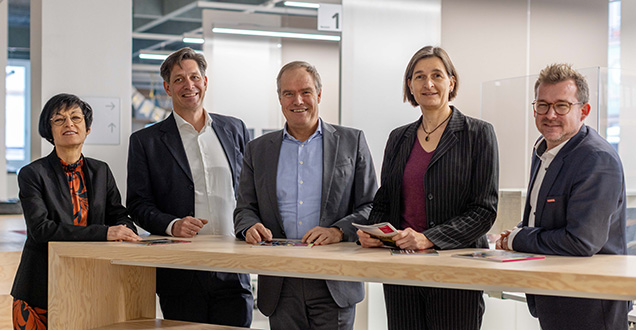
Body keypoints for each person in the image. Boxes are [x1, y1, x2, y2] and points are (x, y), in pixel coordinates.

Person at [357, 46, 499, 330]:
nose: (428, 83)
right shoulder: (398, 138)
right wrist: (373, 233)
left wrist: (430, 238)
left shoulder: (478, 134)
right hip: (401, 270)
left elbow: (484, 210)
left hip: (455, 270)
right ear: (410, 85)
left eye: (437, 75)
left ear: (451, 82)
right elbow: (384, 202)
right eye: (419, 76)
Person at [234, 61, 377, 330]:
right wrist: (249, 226)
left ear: (319, 95)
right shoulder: (258, 150)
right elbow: (244, 208)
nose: (297, 100)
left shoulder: (351, 141)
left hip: (334, 279)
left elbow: (372, 206)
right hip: (280, 281)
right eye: (288, 93)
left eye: (306, 92)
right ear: (279, 99)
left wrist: (337, 231)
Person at [496, 63, 630, 330]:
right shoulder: (544, 149)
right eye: (543, 105)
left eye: (562, 106)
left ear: (584, 111)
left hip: (590, 304)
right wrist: (519, 231)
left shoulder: (596, 159)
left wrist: (518, 239)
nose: (550, 114)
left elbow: (581, 241)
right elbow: (544, 218)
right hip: (554, 294)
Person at [126, 47, 253, 326]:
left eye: (194, 77)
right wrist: (172, 224)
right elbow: (137, 205)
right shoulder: (146, 142)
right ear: (167, 88)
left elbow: (249, 193)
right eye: (179, 79)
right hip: (181, 270)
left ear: (205, 82)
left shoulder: (235, 129)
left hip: (234, 266)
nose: (189, 85)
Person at [11, 93, 140, 329]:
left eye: (75, 118)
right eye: (59, 120)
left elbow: (118, 215)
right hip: (40, 287)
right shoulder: (32, 174)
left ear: (87, 128)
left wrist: (126, 230)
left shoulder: (101, 171)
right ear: (50, 131)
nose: (68, 124)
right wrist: (105, 233)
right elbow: (41, 230)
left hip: (91, 283)